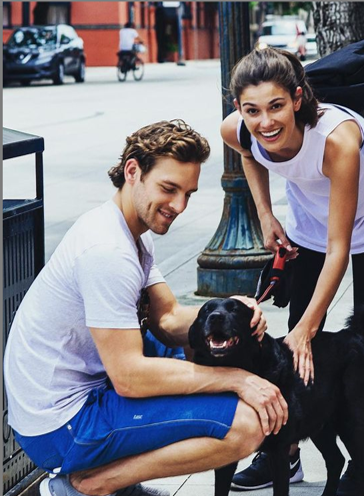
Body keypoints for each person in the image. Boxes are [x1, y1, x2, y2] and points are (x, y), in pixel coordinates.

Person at [4, 120, 289, 496]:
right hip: (62, 426)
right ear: (133, 171)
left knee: (199, 345)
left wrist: (232, 315)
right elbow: (130, 378)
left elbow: (169, 320)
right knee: (247, 424)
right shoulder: (107, 251)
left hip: (79, 395)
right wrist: (239, 379)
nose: (178, 206)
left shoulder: (129, 230)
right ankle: (90, 484)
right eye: (169, 189)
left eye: (187, 193)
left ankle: (113, 475)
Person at [220, 47, 364, 495]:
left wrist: (310, 327)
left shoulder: (337, 140)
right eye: (252, 110)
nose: (264, 122)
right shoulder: (237, 130)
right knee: (291, 336)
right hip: (309, 215)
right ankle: (283, 450)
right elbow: (248, 154)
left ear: (299, 98)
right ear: (238, 109)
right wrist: (266, 215)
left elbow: (338, 249)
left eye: (276, 106)